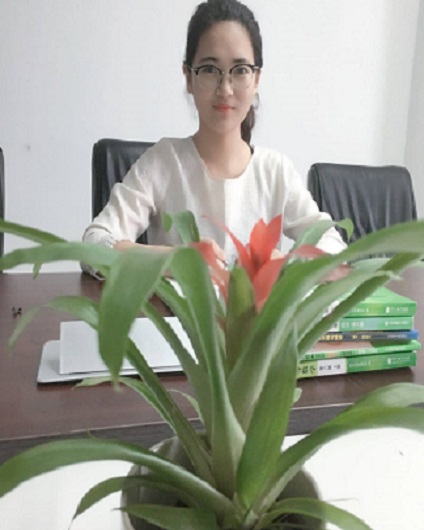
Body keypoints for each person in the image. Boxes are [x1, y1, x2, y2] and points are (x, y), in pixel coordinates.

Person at [83, 0, 346, 272]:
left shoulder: (275, 171)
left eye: (240, 70)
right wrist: (176, 260)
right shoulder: (164, 162)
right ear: (188, 77)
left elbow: (335, 248)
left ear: (256, 80)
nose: (225, 89)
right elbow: (95, 244)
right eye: (210, 69)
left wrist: (285, 265)